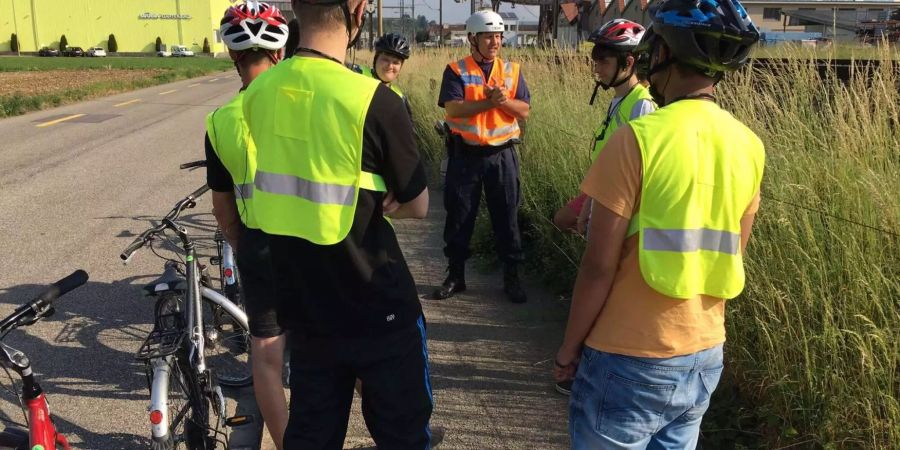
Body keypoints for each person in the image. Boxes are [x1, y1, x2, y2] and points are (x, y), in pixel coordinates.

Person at [553, 0, 763, 447]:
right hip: (705, 353)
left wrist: (569, 350)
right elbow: (732, 252)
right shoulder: (749, 145)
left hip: (629, 355)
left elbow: (597, 266)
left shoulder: (638, 139)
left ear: (665, 51)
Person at [242, 0, 433, 447]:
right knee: (404, 436)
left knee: (312, 437)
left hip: (307, 311)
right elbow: (419, 204)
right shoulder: (375, 100)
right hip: (379, 310)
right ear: (360, 10)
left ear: (295, 8)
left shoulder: (259, 96)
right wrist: (384, 200)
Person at [204, 2, 290, 448]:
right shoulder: (304, 107)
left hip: (259, 248)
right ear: (279, 54)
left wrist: (242, 245)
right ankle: (397, 432)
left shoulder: (220, 122)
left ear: (235, 57)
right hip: (317, 243)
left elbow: (222, 210)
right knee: (341, 346)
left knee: (266, 359)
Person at [432, 9, 531, 304]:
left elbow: (523, 110)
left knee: (507, 216)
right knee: (460, 215)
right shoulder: (456, 70)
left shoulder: (512, 70)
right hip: (466, 155)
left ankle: (512, 277)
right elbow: (453, 109)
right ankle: (456, 275)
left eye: (498, 36)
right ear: (473, 39)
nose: (495, 42)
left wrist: (504, 101)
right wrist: (489, 102)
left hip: (502, 155)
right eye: (489, 36)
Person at [552, 19, 656, 236]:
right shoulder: (619, 100)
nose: (596, 70)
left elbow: (642, 171)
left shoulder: (642, 104)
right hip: (603, 189)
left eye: (603, 63)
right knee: (563, 219)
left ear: (628, 62)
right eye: (595, 62)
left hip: (618, 198)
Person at [351, 33, 412, 115]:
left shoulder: (399, 98)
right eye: (385, 59)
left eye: (396, 62)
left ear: (401, 66)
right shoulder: (356, 73)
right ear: (375, 59)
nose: (390, 66)